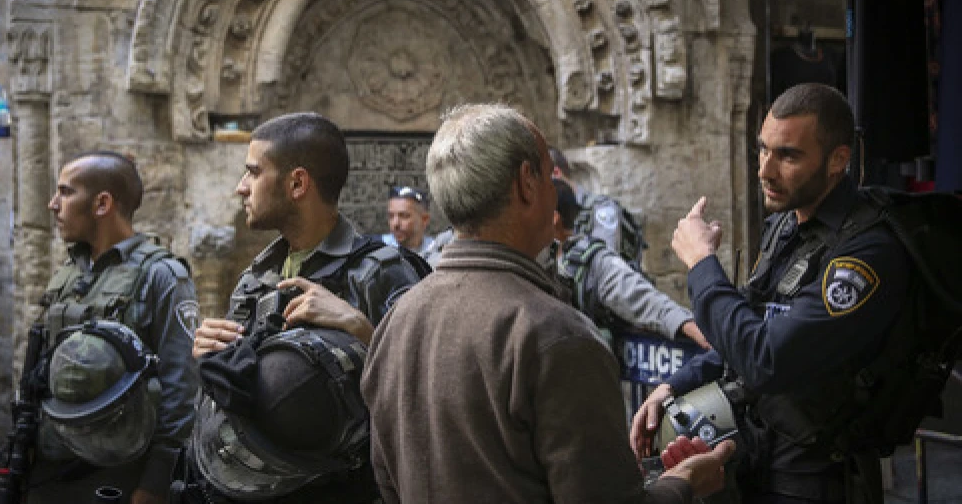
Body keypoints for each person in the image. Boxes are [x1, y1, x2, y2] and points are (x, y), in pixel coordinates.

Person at [362, 103, 734, 503]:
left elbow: (387, 482)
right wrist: (686, 481)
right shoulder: (556, 337)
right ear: (527, 183)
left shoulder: (395, 323)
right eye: (548, 177)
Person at [630, 83, 914, 503]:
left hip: (814, 474)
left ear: (838, 160)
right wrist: (671, 387)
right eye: (763, 150)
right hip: (757, 454)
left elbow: (766, 358)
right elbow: (745, 328)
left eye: (788, 156)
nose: (765, 170)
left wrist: (703, 264)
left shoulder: (868, 253)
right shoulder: (785, 225)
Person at [187, 112, 426, 503]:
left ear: (297, 183)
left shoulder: (382, 271)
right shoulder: (256, 278)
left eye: (252, 173)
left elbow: (426, 393)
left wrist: (362, 329)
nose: (240, 188)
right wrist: (213, 358)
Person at [25, 151, 199, 504]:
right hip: (50, 466)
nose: (52, 204)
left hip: (118, 473)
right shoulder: (69, 272)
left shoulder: (162, 276)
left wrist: (156, 482)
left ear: (102, 203)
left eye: (65, 192)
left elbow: (181, 389)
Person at [550, 177, 710, 350]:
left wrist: (687, 324)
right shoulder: (533, 258)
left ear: (554, 218)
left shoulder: (587, 261)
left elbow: (641, 297)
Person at [381, 185, 434, 254]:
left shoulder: (436, 250)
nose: (395, 224)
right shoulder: (378, 248)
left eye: (404, 216)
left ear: (424, 220)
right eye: (391, 216)